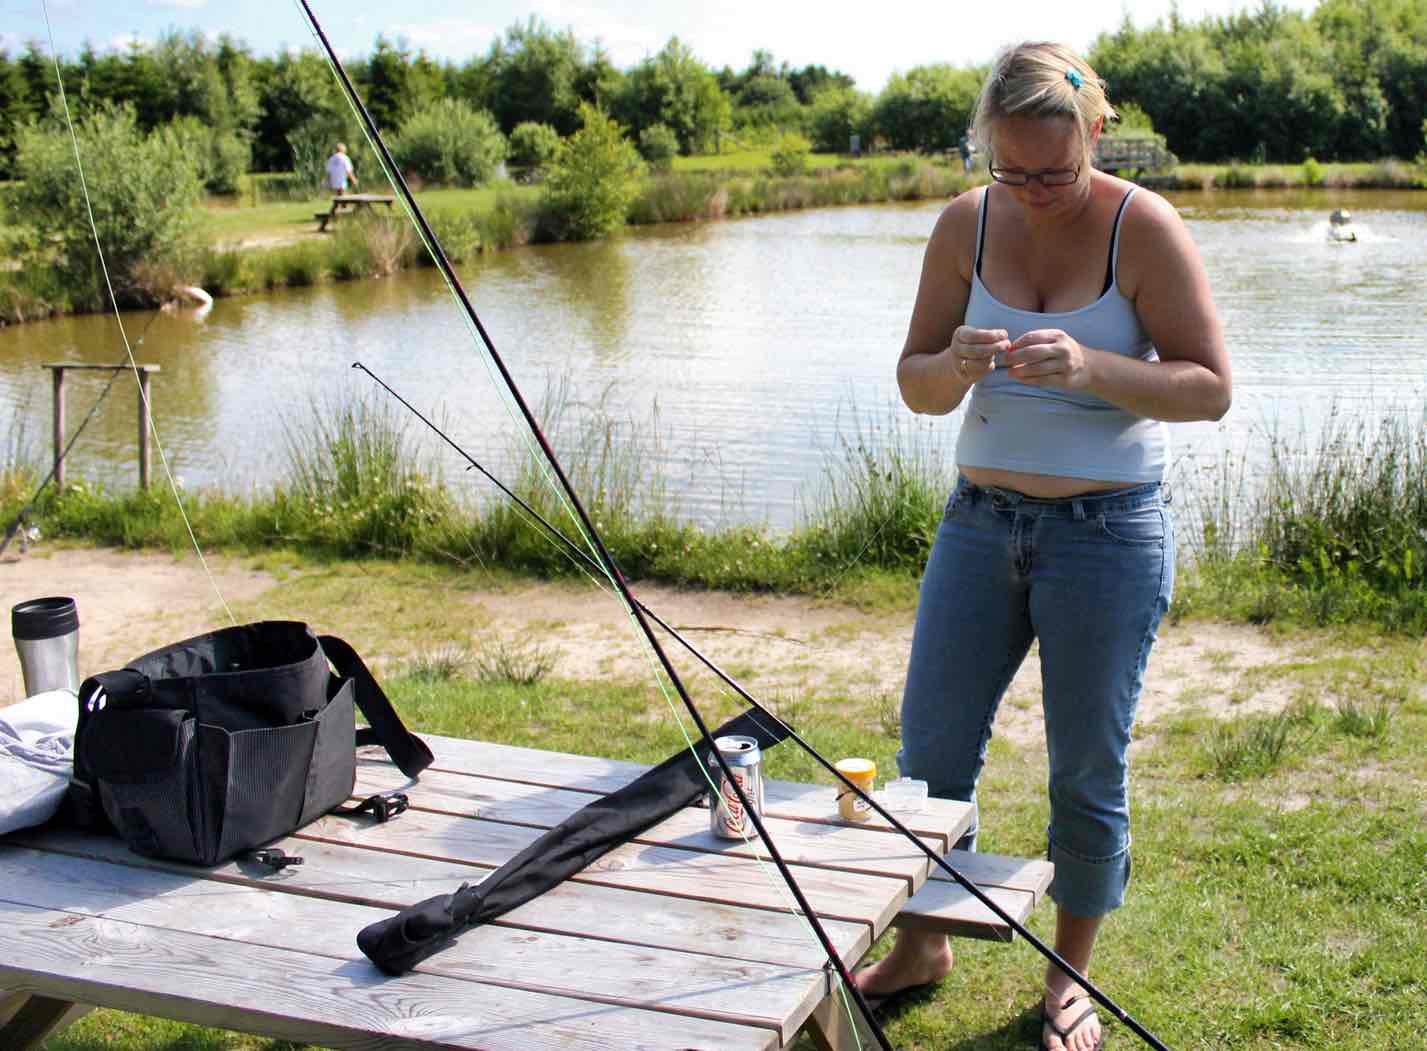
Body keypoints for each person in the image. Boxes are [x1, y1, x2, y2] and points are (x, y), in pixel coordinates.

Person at [853, 42, 1231, 1051]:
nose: (1028, 193)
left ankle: (1068, 976)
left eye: (1051, 173)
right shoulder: (962, 225)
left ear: (1093, 133)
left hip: (1106, 534)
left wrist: (1090, 367)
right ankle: (923, 943)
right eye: (1008, 169)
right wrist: (953, 365)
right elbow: (915, 385)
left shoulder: (1142, 226)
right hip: (977, 524)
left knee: (1084, 771)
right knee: (929, 757)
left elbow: (1208, 388)